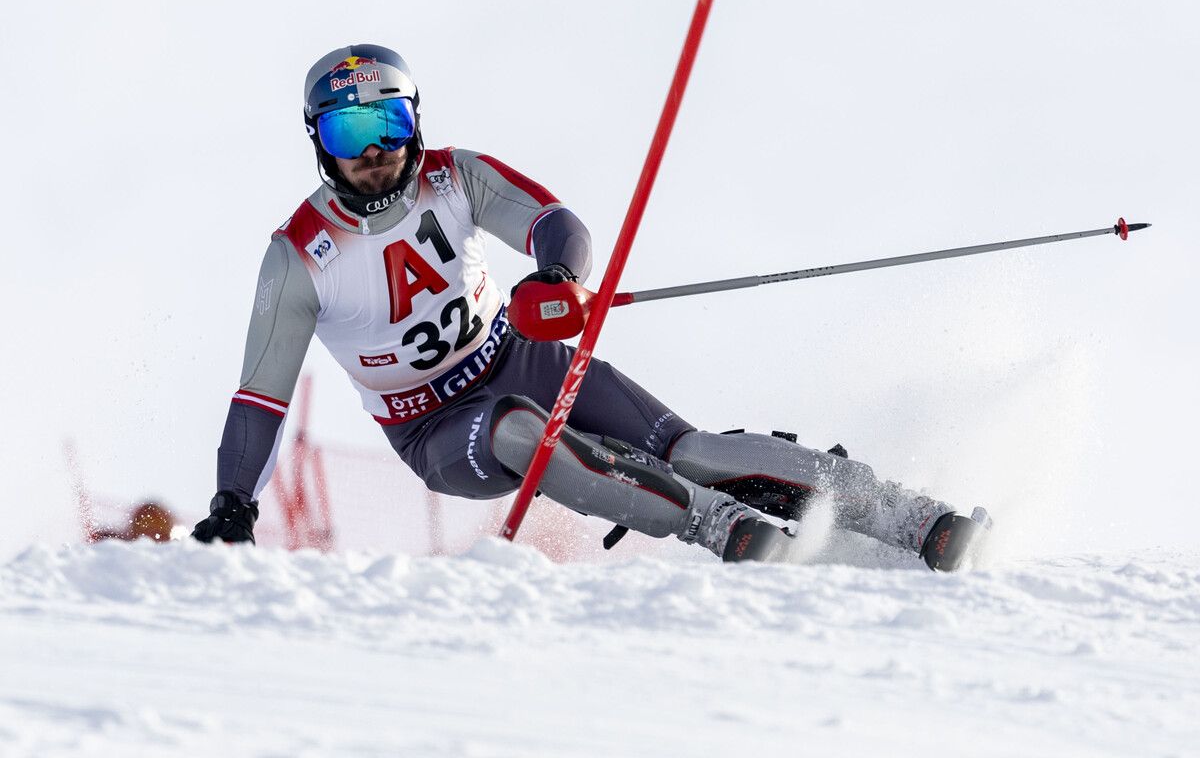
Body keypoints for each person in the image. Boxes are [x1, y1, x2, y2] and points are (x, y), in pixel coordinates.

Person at [192, 44, 989, 569]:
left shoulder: (454, 176)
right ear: (318, 141)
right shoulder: (299, 255)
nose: (375, 151)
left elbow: (555, 224)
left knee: (694, 450)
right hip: (435, 428)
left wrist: (555, 279)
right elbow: (260, 397)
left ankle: (910, 518)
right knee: (518, 430)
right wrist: (234, 502)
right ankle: (716, 526)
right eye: (350, 132)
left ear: (415, 120)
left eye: (390, 122)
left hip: (525, 359)